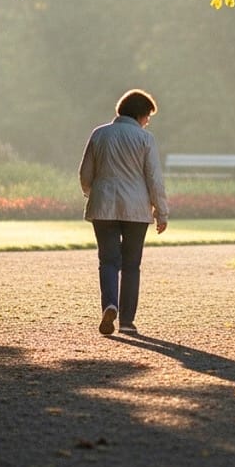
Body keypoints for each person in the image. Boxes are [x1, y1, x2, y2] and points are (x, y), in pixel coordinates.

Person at [79, 89, 168, 336]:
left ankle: (109, 305)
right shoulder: (145, 139)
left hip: (103, 206)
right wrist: (162, 211)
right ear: (140, 114)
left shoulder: (99, 134)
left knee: (107, 260)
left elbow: (85, 174)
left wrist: (92, 193)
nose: (148, 121)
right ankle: (127, 321)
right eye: (148, 115)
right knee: (131, 265)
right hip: (136, 210)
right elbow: (154, 179)